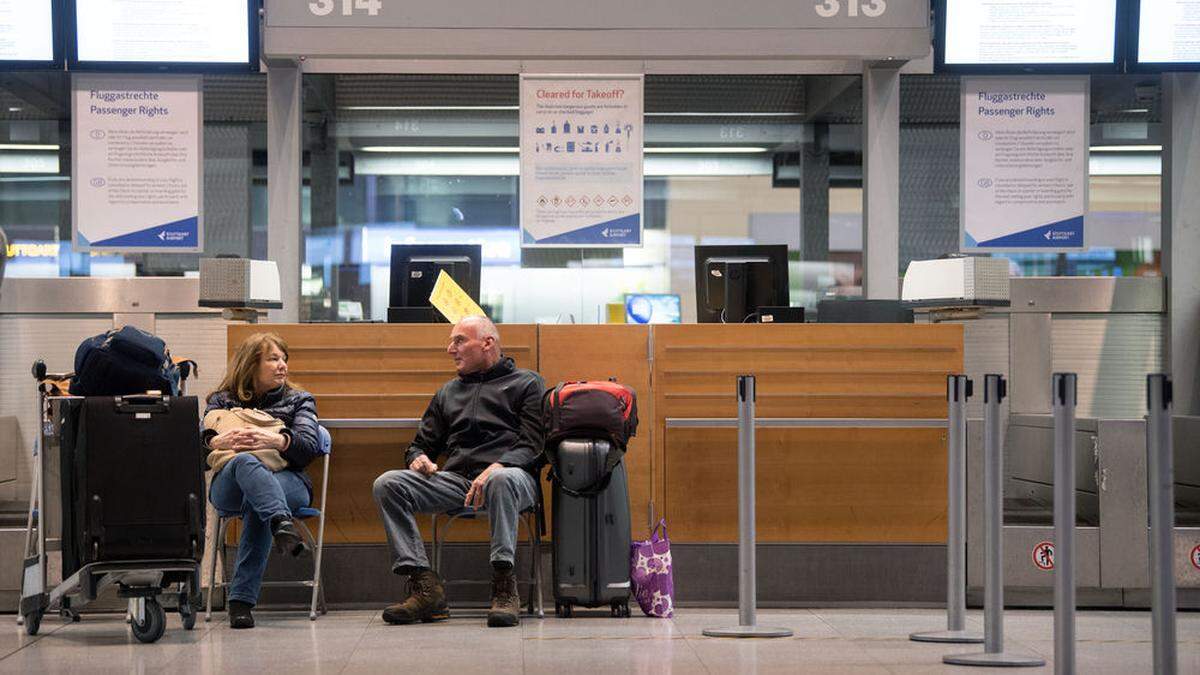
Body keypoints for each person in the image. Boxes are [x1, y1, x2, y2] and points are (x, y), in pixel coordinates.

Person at [373, 315, 544, 628]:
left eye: (459, 340)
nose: (450, 348)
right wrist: (419, 458)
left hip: (513, 477)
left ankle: (505, 586)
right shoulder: (447, 392)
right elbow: (418, 444)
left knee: (501, 479)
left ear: (488, 343)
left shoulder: (527, 383)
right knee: (388, 484)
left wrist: (498, 465)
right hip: (458, 482)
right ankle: (426, 589)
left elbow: (534, 444)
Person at [205, 332, 323, 629]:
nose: (282, 365)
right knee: (246, 461)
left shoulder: (299, 400)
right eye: (273, 359)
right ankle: (281, 523)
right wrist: (218, 442)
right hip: (231, 483)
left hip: (288, 480)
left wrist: (277, 439)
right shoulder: (220, 401)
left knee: (260, 501)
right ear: (251, 364)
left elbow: (309, 448)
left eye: (284, 359)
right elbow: (194, 448)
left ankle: (241, 602)